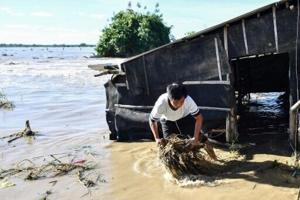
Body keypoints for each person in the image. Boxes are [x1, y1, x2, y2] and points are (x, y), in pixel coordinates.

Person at [149, 82, 217, 160]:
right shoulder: (161, 104)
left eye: (181, 101)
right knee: (168, 149)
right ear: (170, 98)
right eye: (176, 102)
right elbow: (152, 120)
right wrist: (157, 138)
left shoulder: (188, 100)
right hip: (167, 121)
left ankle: (216, 159)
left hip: (185, 117)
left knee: (203, 140)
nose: (179, 104)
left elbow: (199, 118)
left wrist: (195, 137)